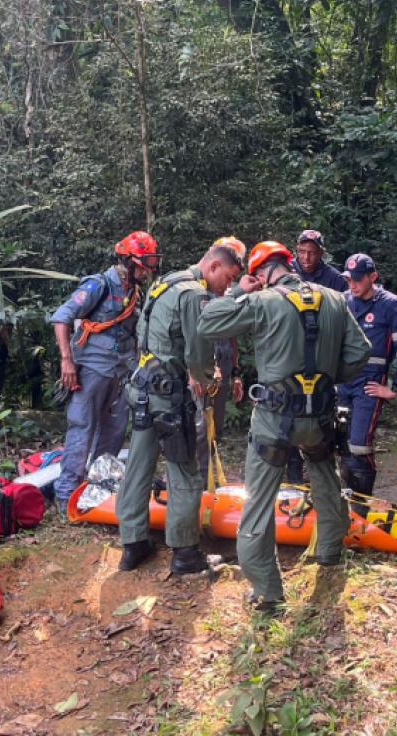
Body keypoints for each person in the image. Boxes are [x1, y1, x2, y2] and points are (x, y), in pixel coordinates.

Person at [199, 242, 370, 614]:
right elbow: (360, 352)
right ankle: (329, 552)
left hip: (276, 417)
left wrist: (240, 292)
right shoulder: (335, 299)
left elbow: (208, 322)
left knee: (259, 500)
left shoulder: (262, 301)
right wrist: (325, 379)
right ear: (288, 264)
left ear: (260, 274)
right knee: (325, 476)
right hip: (321, 414)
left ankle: (267, 591)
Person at [114, 241, 246, 573]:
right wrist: (205, 378)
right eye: (228, 279)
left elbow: (147, 332)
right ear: (214, 266)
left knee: (138, 467)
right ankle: (185, 553)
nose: (227, 287)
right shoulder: (195, 295)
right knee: (184, 470)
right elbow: (199, 351)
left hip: (143, 387)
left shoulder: (165, 283)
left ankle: (132, 544)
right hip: (170, 397)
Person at [50, 231, 162, 514]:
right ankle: (65, 498)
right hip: (91, 370)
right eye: (144, 263)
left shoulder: (133, 292)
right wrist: (66, 361)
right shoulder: (98, 285)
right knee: (82, 430)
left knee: (113, 432)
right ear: (128, 260)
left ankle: (97, 490)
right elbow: (62, 317)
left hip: (121, 372)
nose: (147, 270)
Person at [337, 253, 397, 504]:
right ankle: (346, 501)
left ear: (373, 277)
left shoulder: (391, 305)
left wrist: (395, 387)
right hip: (341, 383)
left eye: (358, 280)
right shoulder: (343, 301)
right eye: (349, 279)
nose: (353, 285)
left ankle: (363, 504)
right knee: (341, 443)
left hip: (369, 385)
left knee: (359, 445)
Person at [285, 231, 347, 483]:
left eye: (312, 252)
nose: (306, 257)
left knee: (319, 412)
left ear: (321, 253)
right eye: (302, 252)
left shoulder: (334, 279)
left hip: (321, 353)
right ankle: (293, 476)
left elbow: (345, 314)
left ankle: (321, 473)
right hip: (291, 352)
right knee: (288, 410)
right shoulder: (287, 273)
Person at [196, 237, 247, 474]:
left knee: (215, 428)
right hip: (201, 372)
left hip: (223, 368)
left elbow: (232, 334)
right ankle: (194, 479)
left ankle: (209, 476)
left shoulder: (227, 290)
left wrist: (236, 373)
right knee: (198, 427)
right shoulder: (195, 290)